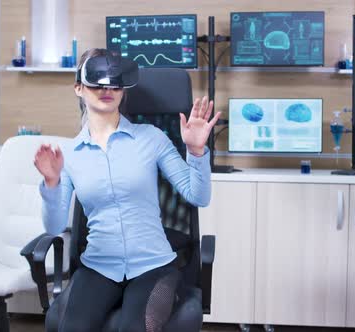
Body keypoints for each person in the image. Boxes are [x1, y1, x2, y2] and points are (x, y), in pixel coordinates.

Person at [34, 48, 221, 332]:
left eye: (115, 83)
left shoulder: (152, 138)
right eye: (97, 82)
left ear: (123, 90)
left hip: (153, 266)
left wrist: (196, 151)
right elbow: (55, 225)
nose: (106, 89)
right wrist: (51, 183)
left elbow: (198, 196)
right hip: (98, 266)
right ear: (79, 88)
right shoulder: (69, 154)